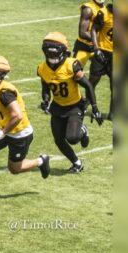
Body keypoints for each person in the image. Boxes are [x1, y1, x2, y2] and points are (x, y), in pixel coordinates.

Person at [0, 55, 50, 200]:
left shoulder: (4, 92)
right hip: (3, 128)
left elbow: (17, 116)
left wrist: (2, 133)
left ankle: (41, 161)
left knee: (14, 169)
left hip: (19, 133)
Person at [37, 32, 104, 173]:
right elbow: (45, 89)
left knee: (72, 138)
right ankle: (77, 163)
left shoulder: (71, 65)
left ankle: (83, 131)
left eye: (55, 53)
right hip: (57, 107)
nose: (52, 57)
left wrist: (95, 107)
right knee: (59, 140)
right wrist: (46, 100)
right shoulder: (42, 68)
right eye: (50, 53)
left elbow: (88, 85)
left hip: (74, 105)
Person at [89, 3, 113, 120]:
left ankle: (113, 112)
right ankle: (87, 106)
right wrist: (96, 48)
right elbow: (93, 29)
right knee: (93, 80)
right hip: (102, 51)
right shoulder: (104, 13)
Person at [73, 0, 107, 67]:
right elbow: (83, 33)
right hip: (84, 46)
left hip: (98, 47)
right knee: (73, 72)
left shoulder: (105, 9)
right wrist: (99, 41)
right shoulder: (88, 9)